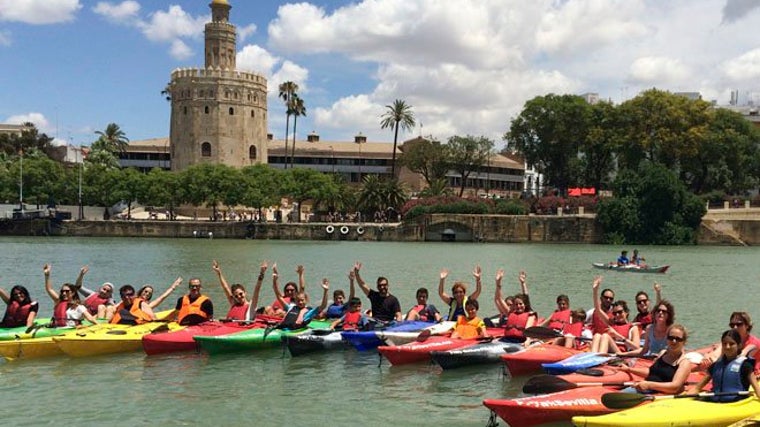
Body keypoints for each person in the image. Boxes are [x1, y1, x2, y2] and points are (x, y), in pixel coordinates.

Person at [617, 324, 694, 394]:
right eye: (671, 338)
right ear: (667, 339)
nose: (674, 341)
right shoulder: (663, 353)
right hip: (646, 389)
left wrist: (649, 385)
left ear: (684, 341)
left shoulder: (684, 363)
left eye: (678, 339)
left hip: (657, 395)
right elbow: (651, 372)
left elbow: (674, 387)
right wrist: (629, 369)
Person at [693, 329, 760, 401]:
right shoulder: (715, 366)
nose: (727, 347)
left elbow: (757, 389)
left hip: (736, 405)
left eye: (731, 344)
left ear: (739, 345)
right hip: (715, 404)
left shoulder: (745, 366)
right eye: (724, 344)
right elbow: (697, 388)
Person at [273, 264, 329, 329]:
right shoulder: (290, 307)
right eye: (298, 301)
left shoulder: (309, 312)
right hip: (283, 329)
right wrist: (274, 280)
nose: (300, 302)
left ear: (306, 300)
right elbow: (278, 296)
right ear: (296, 301)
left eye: (302, 300)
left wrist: (326, 291)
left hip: (295, 331)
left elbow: (323, 306)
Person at [494, 269, 537, 344]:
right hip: (506, 340)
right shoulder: (510, 313)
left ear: (525, 304)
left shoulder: (529, 314)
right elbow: (499, 298)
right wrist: (498, 283)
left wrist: (523, 283)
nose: (518, 306)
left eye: (520, 304)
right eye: (516, 304)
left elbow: (526, 297)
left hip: (520, 341)